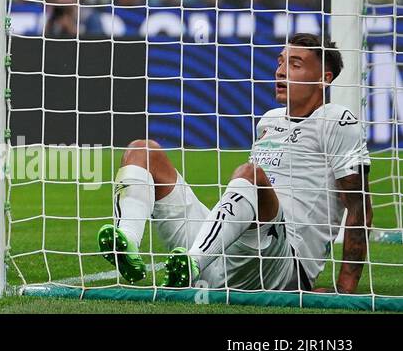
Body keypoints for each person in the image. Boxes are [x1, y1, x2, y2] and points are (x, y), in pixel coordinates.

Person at [99, 34, 371, 292]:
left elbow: (360, 207)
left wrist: (346, 286)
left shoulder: (337, 121)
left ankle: (193, 262)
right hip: (228, 251)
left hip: (280, 264)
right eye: (280, 62)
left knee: (250, 174)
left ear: (324, 78)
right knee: (142, 151)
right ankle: (128, 244)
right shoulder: (269, 120)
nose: (280, 71)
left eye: (295, 64)